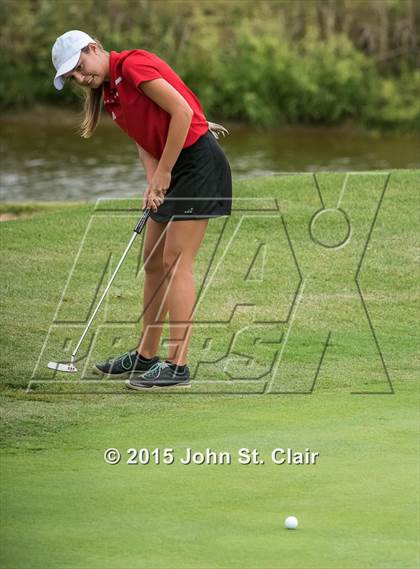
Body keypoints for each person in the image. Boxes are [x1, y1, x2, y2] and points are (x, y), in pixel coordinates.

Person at [51, 30, 232, 390]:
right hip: (172, 164)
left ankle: (178, 365)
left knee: (175, 262)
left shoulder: (133, 66)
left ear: (93, 49)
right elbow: (143, 139)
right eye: (73, 75)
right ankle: (145, 355)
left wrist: (164, 173)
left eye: (80, 66)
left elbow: (181, 111)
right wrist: (153, 181)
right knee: (152, 260)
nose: (80, 77)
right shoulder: (112, 94)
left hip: (197, 162)